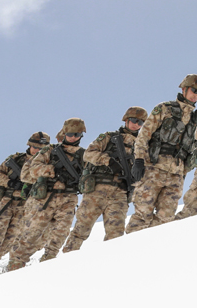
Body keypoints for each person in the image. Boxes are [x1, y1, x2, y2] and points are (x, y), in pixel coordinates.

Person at [126, 75, 197, 233]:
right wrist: (139, 160)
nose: (196, 95)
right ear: (184, 89)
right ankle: (129, 251)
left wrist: (184, 172)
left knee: (166, 219)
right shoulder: (164, 108)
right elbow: (144, 136)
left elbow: (194, 148)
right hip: (153, 169)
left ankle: (150, 249)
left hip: (176, 175)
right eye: (194, 90)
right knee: (142, 216)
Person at [62, 107, 147, 252]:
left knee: (115, 236)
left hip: (120, 194)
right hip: (97, 191)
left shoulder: (142, 144)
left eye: (140, 122)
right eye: (134, 120)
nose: (136, 125)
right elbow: (88, 154)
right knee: (80, 231)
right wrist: (107, 161)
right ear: (126, 120)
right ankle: (62, 265)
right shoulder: (109, 137)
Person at [7, 119, 85, 271]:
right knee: (32, 233)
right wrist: (53, 172)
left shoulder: (84, 155)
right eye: (70, 134)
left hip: (68, 199)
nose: (73, 137)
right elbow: (30, 171)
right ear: (64, 133)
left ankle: (47, 266)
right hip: (45, 198)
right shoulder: (50, 151)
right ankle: (15, 265)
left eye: (77, 134)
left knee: (60, 234)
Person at [0, 132, 48, 277]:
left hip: (26, 205)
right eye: (34, 147)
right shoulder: (15, 160)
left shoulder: (44, 164)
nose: (36, 150)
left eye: (40, 148)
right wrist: (10, 182)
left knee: (12, 237)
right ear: (29, 145)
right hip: (8, 202)